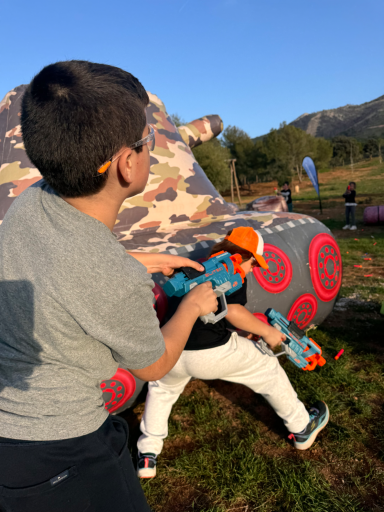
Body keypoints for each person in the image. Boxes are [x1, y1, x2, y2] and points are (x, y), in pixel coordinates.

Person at [0, 61, 218, 512]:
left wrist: (139, 258)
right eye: (148, 139)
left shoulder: (31, 201)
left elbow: (63, 261)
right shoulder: (114, 278)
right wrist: (193, 306)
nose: (152, 149)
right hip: (67, 453)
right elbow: (153, 366)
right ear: (126, 163)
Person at [136, 226, 329, 479]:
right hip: (210, 353)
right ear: (246, 257)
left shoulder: (196, 266)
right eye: (254, 265)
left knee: (162, 390)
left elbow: (216, 316)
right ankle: (302, 426)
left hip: (172, 350)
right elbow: (235, 312)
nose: (252, 270)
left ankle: (148, 454)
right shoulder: (232, 271)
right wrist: (267, 332)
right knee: (267, 368)